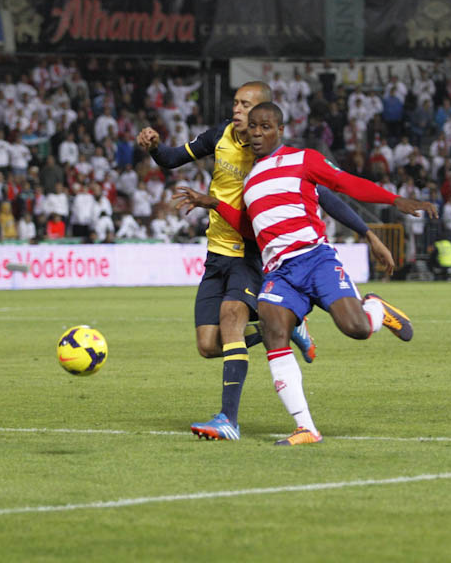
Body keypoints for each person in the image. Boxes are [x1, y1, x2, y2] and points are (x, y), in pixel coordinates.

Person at [137, 82, 393, 441]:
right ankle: (291, 327)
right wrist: (153, 147)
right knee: (209, 346)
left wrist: (367, 232)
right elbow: (170, 159)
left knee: (230, 321)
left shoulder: (273, 156)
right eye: (237, 104)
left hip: (252, 253)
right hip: (217, 253)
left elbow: (324, 196)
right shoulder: (219, 136)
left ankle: (229, 419)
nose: (238, 111)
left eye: (246, 105)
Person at [174, 102, 437, 445]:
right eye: (252, 127)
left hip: (315, 259)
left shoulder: (303, 159)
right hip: (279, 272)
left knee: (356, 329)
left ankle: (376, 310)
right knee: (274, 333)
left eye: (265, 126)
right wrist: (216, 204)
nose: (256, 132)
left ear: (280, 131)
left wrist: (394, 200)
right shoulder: (249, 181)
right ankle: (306, 427)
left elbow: (343, 184)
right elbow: (250, 230)